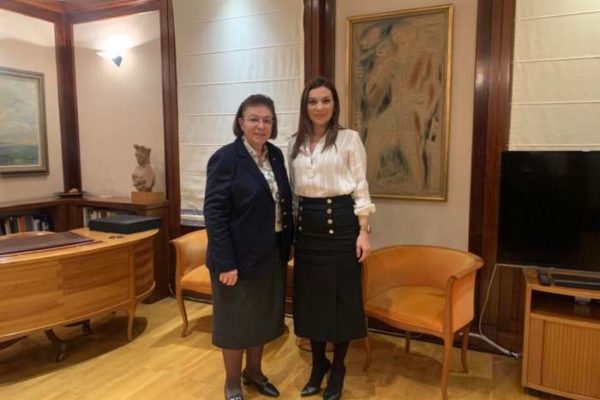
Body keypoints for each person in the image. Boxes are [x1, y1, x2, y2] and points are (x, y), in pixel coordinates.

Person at [288, 77, 375, 400]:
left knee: (340, 301)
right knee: (311, 302)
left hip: (341, 225)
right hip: (307, 228)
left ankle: (337, 368)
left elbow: (361, 187)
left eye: (325, 100)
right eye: (313, 101)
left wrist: (363, 231)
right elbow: (293, 192)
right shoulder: (293, 142)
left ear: (334, 104)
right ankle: (318, 365)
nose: (319, 107)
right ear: (305, 106)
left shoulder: (349, 139)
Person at [204, 94, 294, 400]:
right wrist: (226, 262)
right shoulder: (226, 159)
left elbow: (282, 204)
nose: (261, 125)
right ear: (241, 122)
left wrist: (288, 245)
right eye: (254, 119)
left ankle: (254, 373)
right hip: (236, 260)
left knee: (262, 319)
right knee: (235, 323)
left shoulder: (276, 156)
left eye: (267, 120)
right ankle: (232, 381)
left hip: (271, 253)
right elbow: (214, 214)